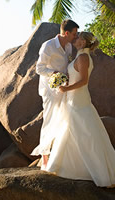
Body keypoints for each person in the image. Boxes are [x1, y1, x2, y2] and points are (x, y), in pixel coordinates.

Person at [46, 32, 115, 187]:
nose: (74, 39)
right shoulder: (80, 57)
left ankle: (98, 172)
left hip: (79, 99)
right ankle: (66, 166)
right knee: (72, 129)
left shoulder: (83, 58)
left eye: (77, 38)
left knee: (85, 133)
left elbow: (84, 81)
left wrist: (67, 88)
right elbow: (77, 77)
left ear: (82, 42)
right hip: (74, 98)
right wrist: (63, 81)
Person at [30, 19, 79, 170]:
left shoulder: (70, 46)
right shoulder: (48, 46)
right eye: (74, 34)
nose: (76, 37)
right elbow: (39, 68)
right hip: (50, 90)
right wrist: (55, 74)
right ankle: (45, 159)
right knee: (50, 119)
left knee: (64, 118)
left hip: (64, 88)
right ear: (66, 33)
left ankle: (61, 154)